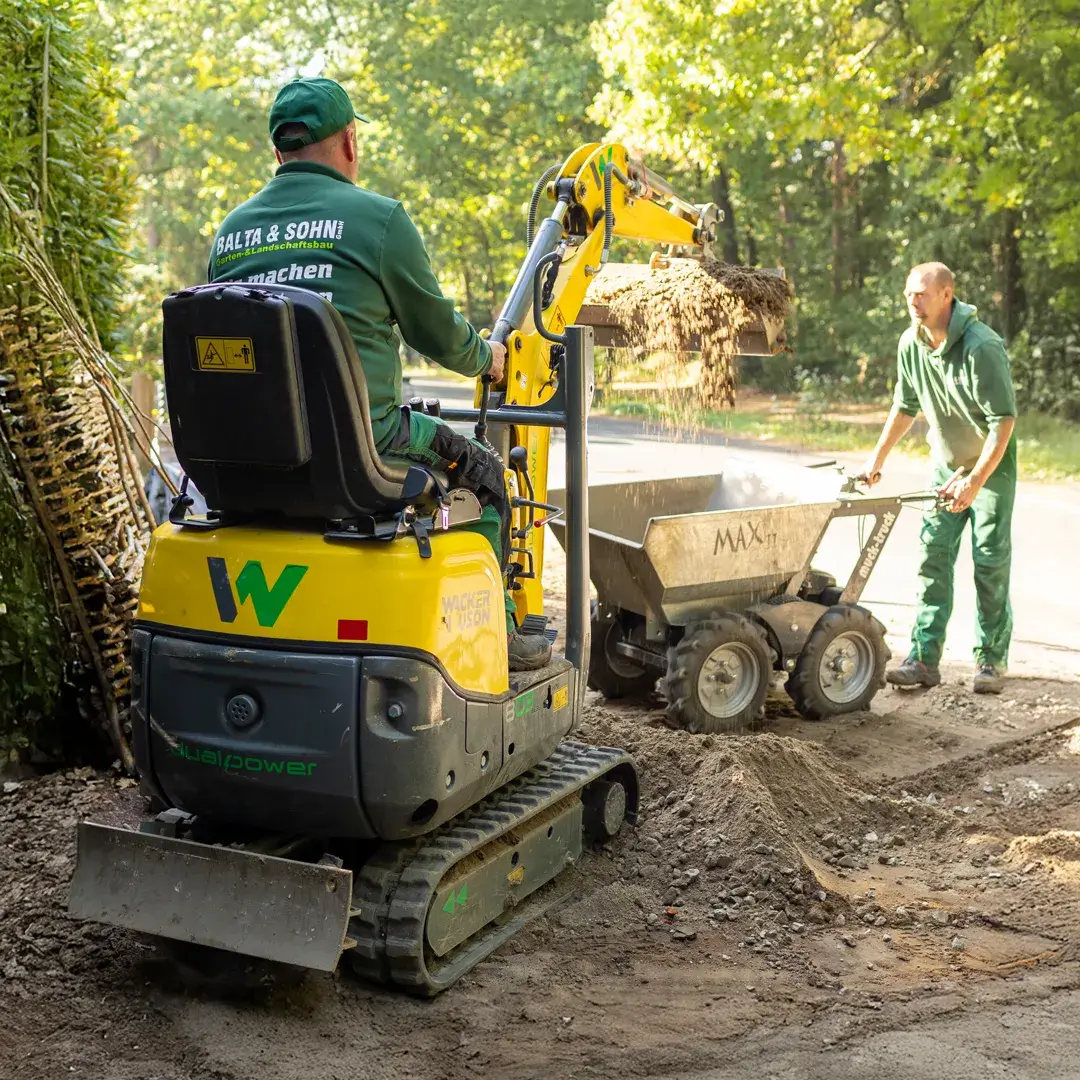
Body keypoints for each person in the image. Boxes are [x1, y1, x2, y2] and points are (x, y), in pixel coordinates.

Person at [206, 76, 551, 671]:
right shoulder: (378, 221)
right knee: (487, 476)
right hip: (366, 445)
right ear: (349, 141)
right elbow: (438, 334)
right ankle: (504, 636)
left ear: (277, 152)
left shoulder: (231, 233)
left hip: (251, 460)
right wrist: (487, 358)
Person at [861, 262, 1017, 695]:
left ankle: (989, 660)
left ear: (947, 295)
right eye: (909, 293)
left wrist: (976, 480)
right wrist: (877, 459)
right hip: (945, 467)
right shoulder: (910, 343)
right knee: (933, 558)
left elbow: (1002, 423)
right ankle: (924, 659)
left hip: (991, 469)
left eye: (922, 294)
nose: (913, 301)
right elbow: (904, 406)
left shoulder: (982, 346)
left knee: (989, 564)